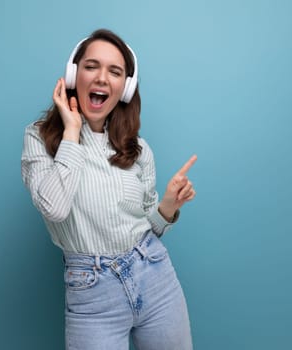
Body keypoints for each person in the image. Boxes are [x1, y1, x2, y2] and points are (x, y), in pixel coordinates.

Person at [21, 28, 197, 350]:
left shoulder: (138, 150)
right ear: (74, 74)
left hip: (155, 276)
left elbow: (150, 228)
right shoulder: (39, 139)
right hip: (92, 295)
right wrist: (72, 132)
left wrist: (168, 206)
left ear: (125, 88)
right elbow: (55, 208)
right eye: (91, 66)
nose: (102, 78)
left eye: (114, 72)